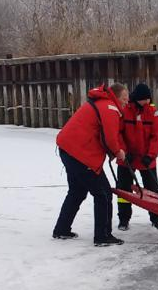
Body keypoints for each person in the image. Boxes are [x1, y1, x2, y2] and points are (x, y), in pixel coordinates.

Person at [52, 83, 128, 247]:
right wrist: (118, 152)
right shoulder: (109, 107)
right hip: (80, 154)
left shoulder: (101, 102)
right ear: (115, 96)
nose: (125, 102)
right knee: (103, 194)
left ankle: (62, 229)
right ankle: (102, 236)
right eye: (124, 98)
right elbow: (110, 138)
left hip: (68, 149)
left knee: (77, 191)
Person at [116, 83, 158, 231]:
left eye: (148, 99)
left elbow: (157, 137)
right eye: (144, 99)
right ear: (137, 99)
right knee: (123, 191)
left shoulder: (153, 112)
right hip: (127, 159)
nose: (147, 102)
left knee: (153, 190)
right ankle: (124, 220)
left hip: (146, 160)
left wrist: (150, 156)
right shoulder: (124, 111)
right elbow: (117, 133)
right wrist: (124, 153)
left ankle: (156, 219)